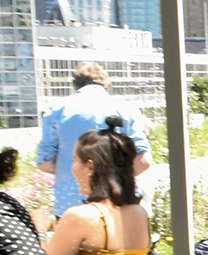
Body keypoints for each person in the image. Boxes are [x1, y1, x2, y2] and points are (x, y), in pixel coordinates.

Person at [36, 62, 151, 220]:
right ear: (105, 84)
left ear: (76, 85)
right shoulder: (126, 109)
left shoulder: (56, 110)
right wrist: (116, 180)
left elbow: (45, 163)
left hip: (70, 207)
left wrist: (71, 170)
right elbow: (143, 161)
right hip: (117, 205)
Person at [46, 119, 152, 255]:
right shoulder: (140, 213)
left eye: (74, 160)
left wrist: (41, 231)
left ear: (90, 166)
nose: (73, 169)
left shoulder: (80, 217)